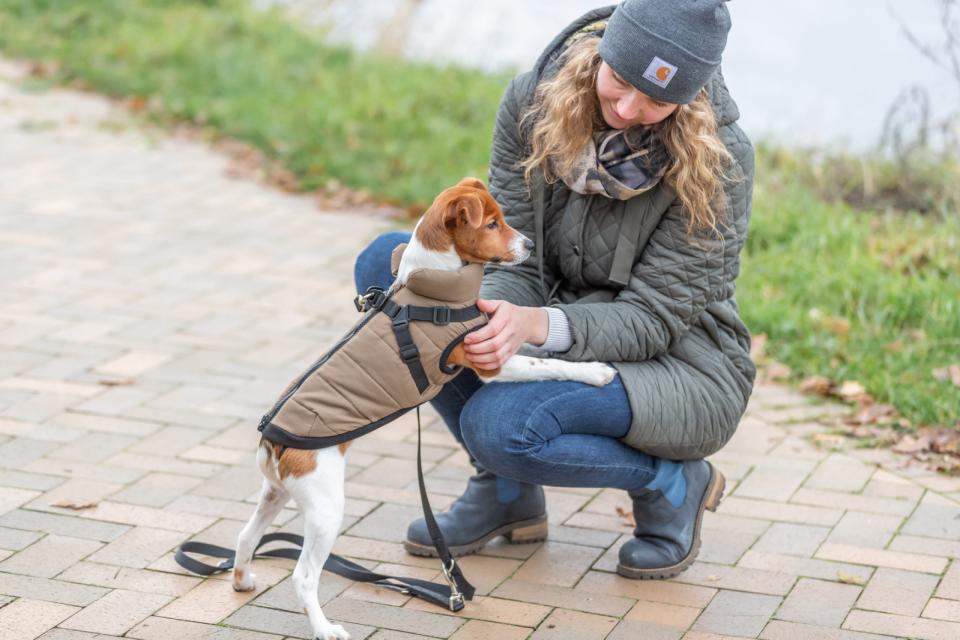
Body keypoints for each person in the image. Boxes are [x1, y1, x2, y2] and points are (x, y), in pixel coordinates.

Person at [352, 0, 755, 579]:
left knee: (500, 427)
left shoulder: (721, 158)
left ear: (688, 96)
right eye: (620, 80)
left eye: (656, 99)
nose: (628, 110)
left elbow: (654, 317)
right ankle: (507, 494)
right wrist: (499, 310)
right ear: (605, 51)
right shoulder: (534, 101)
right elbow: (516, 256)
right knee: (389, 268)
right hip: (556, 310)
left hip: (679, 358)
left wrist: (536, 326)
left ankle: (671, 482)